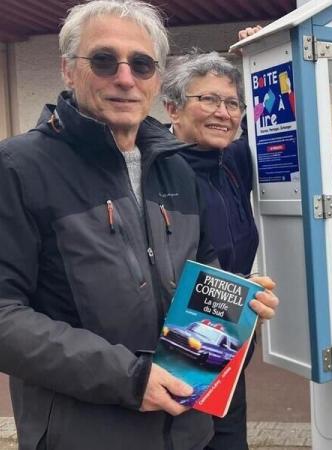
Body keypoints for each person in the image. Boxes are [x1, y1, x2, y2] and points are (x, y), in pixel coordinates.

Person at [0, 1, 278, 449]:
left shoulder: (175, 170)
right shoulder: (18, 167)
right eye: (104, 60)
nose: (125, 78)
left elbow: (199, 277)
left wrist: (237, 306)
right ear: (68, 70)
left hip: (188, 426)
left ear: (155, 79)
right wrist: (131, 379)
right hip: (87, 436)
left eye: (142, 64)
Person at [161, 49, 258, 450]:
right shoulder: (152, 171)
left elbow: (276, 130)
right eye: (208, 100)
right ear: (173, 108)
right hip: (175, 356)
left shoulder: (232, 159)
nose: (224, 112)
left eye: (232, 103)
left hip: (229, 348)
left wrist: (262, 56)